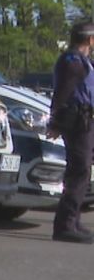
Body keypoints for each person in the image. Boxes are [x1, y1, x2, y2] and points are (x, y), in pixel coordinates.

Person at [47, 20, 94, 243]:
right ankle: (65, 226)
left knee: (82, 171)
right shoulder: (73, 62)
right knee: (79, 170)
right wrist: (55, 122)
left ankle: (73, 221)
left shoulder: (80, 61)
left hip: (84, 120)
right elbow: (62, 94)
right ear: (90, 39)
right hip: (77, 121)